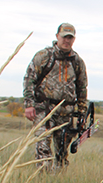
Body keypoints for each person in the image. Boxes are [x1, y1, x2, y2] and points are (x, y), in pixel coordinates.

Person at [23, 23, 88, 171]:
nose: (67, 41)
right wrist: (29, 104)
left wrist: (82, 113)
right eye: (64, 37)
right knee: (43, 149)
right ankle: (43, 182)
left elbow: (82, 88)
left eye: (70, 38)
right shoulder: (44, 56)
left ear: (74, 39)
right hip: (44, 110)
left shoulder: (77, 62)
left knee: (62, 153)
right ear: (57, 37)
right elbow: (29, 79)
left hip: (67, 113)